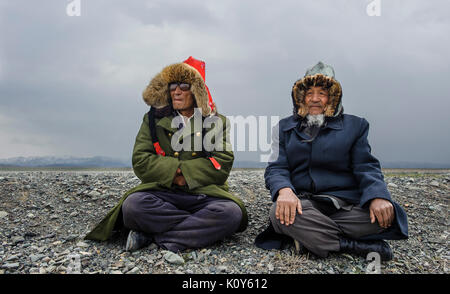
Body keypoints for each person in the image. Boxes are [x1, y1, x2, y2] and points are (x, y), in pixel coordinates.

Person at [85, 56, 247, 253]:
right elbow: (141, 160)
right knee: (133, 207)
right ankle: (191, 232)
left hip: (205, 193)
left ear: (197, 91)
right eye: (172, 86)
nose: (176, 91)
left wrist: (184, 176)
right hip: (163, 191)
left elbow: (221, 163)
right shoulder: (152, 119)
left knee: (231, 214)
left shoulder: (215, 121)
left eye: (184, 85)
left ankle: (153, 237)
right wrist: (176, 174)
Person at [255, 61, 408, 261]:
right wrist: (285, 191)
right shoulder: (284, 128)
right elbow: (276, 167)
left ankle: (312, 237)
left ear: (333, 98)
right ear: (301, 97)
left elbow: (366, 166)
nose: (315, 99)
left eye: (322, 93)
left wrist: (378, 196)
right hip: (304, 203)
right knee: (279, 212)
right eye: (309, 93)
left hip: (345, 205)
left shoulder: (356, 126)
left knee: (387, 215)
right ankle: (351, 245)